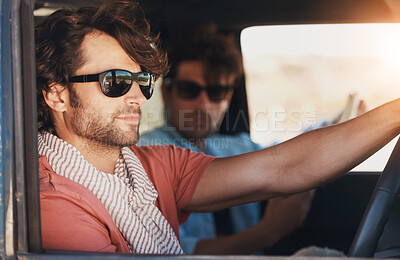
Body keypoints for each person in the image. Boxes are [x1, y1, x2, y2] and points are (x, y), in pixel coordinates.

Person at [36, 0, 400, 255]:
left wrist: (393, 115)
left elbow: (285, 167)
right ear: (58, 94)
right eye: (115, 81)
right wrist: (268, 232)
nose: (139, 98)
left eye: (141, 81)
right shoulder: (52, 204)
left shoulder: (149, 167)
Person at [138, 26, 313, 255]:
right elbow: (168, 253)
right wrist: (267, 232)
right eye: (189, 90)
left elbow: (295, 153)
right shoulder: (144, 155)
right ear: (165, 94)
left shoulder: (238, 148)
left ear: (228, 97)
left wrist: (338, 123)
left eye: (216, 92)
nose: (203, 105)